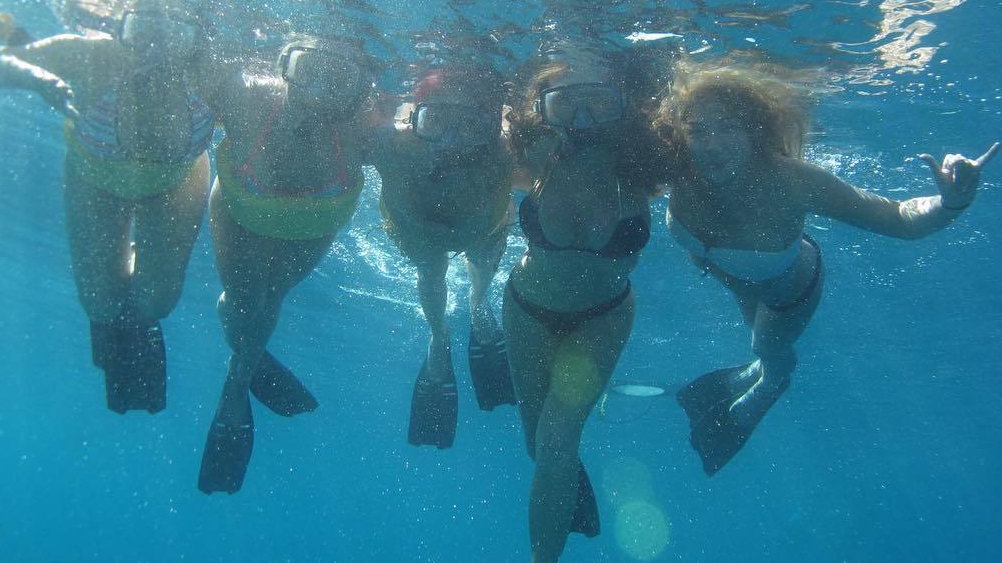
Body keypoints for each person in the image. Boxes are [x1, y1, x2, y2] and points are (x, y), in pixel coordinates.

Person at [654, 59, 998, 476]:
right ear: (679, 135)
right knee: (756, 343)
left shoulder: (792, 181)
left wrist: (951, 202)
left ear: (755, 131)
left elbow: (900, 218)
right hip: (742, 281)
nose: (713, 144)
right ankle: (749, 372)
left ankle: (763, 390)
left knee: (768, 350)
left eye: (729, 128)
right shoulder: (674, 169)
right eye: (699, 130)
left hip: (789, 289)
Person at [0, 3, 217, 415]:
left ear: (196, 45)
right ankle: (119, 315)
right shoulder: (89, 55)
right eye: (143, 32)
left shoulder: (213, 76)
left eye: (174, 38)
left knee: (157, 302)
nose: (155, 51)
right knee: (97, 303)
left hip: (176, 180)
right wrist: (37, 77)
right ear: (123, 29)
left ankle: (138, 313)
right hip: (94, 173)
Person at [503, 43, 666, 563]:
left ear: (622, 101)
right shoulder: (532, 155)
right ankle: (566, 479)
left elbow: (731, 157)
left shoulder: (648, 162)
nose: (580, 118)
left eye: (595, 101)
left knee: (554, 442)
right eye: (563, 103)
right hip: (526, 310)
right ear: (541, 107)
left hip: (603, 319)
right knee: (539, 446)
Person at [198, 33, 374, 495]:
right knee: (244, 298)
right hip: (243, 202)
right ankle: (240, 367)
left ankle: (237, 382)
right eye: (308, 69)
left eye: (338, 78)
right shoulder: (248, 96)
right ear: (283, 64)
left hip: (311, 219)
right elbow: (189, 71)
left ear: (357, 90)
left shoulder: (364, 130)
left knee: (268, 294)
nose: (319, 89)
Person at [369, 65, 516, 450]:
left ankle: (479, 303)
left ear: (488, 126)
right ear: (415, 117)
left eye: (468, 125)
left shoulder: (502, 155)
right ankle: (438, 336)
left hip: (483, 227)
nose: (451, 140)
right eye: (436, 120)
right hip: (420, 232)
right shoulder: (395, 147)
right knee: (431, 273)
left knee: (483, 264)